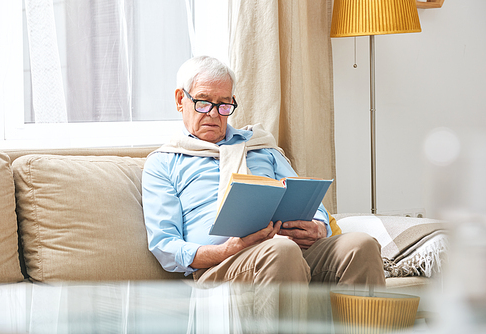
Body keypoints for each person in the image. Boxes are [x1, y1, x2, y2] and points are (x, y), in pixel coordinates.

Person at [142, 55, 385, 289]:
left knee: (360, 244)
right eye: (203, 102)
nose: (214, 114)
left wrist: (320, 226)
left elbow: (307, 199)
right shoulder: (163, 163)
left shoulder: (260, 147)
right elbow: (165, 244)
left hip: (288, 247)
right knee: (282, 252)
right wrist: (227, 250)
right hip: (222, 264)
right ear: (179, 100)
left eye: (224, 104)